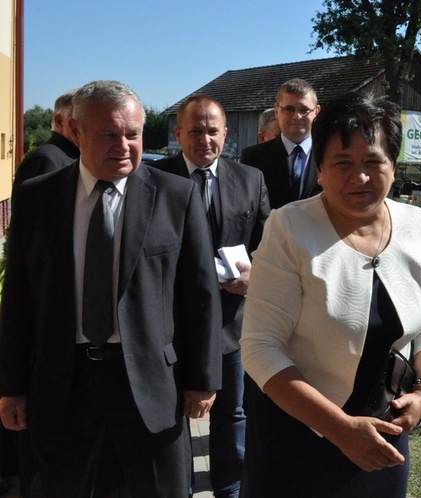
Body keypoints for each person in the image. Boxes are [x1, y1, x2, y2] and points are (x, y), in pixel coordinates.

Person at [0, 80, 223, 498]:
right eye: (108, 134)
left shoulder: (177, 196)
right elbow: (18, 300)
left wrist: (204, 377)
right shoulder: (37, 198)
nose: (123, 145)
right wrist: (11, 384)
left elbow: (200, 294)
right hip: (63, 381)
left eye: (133, 134)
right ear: (76, 132)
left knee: (161, 489)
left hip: (150, 382)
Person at [239, 92, 421, 497]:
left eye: (374, 162)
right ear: (319, 169)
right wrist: (338, 428)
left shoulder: (417, 224)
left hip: (382, 435)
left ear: (393, 167)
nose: (360, 177)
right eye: (343, 163)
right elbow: (260, 348)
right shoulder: (290, 228)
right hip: (297, 438)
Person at [152, 95, 270, 498]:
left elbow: (268, 244)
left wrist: (256, 273)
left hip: (230, 323)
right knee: (169, 416)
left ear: (226, 134)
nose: (205, 139)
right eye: (196, 130)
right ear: (178, 133)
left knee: (232, 413)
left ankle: (229, 487)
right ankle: (177, 486)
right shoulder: (152, 179)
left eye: (213, 130)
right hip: (170, 325)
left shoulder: (250, 179)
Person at [240, 78, 322, 209]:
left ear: (317, 112)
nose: (297, 116)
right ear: (276, 111)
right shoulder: (253, 158)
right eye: (289, 109)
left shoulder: (331, 154)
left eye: (304, 109)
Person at [12, 89, 79, 204]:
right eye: (81, 121)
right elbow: (33, 217)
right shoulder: (45, 160)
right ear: (59, 122)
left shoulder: (75, 155)